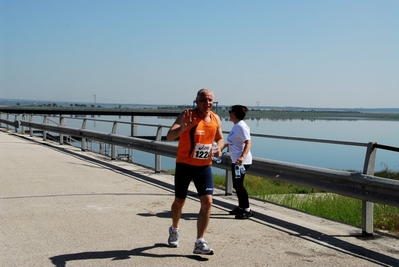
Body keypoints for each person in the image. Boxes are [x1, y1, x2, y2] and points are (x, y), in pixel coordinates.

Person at [166, 88, 224, 255]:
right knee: (179, 202)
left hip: (204, 166)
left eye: (210, 100)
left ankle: (200, 242)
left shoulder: (215, 118)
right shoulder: (187, 115)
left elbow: (220, 139)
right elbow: (170, 136)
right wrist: (185, 127)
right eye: (203, 100)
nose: (207, 103)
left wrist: (219, 149)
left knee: (208, 202)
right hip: (184, 165)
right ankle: (174, 228)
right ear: (196, 101)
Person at [222, 105, 253, 219]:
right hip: (236, 160)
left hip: (242, 161)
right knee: (236, 184)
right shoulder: (236, 126)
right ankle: (241, 207)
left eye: (230, 111)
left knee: (239, 184)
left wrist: (242, 156)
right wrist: (223, 146)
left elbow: (248, 142)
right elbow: (234, 142)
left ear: (233, 114)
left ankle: (247, 209)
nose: (229, 113)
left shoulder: (241, 127)